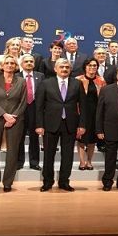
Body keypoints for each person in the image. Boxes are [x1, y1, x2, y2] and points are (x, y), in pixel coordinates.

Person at [36, 58, 86, 192]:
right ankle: (47, 182)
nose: (64, 69)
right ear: (55, 69)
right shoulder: (46, 83)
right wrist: (39, 125)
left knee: (68, 155)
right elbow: (39, 106)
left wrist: (82, 125)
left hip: (70, 124)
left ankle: (64, 181)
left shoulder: (77, 83)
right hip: (50, 124)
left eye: (67, 67)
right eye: (62, 67)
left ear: (70, 69)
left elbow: (83, 105)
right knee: (48, 155)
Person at [0, 55, 27, 192]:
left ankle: (8, 182)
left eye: (12, 63)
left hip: (15, 120)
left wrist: (13, 117)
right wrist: (4, 114)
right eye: (7, 63)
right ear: (2, 65)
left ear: (16, 66)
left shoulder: (21, 81)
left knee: (13, 152)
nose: (9, 65)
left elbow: (23, 102)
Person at [75, 58, 106, 170]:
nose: (92, 67)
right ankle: (82, 162)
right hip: (81, 112)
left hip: (96, 113)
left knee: (92, 139)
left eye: (94, 65)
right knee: (81, 139)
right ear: (85, 67)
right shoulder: (78, 79)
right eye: (89, 65)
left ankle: (89, 161)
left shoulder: (101, 80)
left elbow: (104, 98)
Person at [15, 53, 44, 171]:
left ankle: (34, 162)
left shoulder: (40, 76)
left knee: (34, 137)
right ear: (21, 64)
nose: (29, 63)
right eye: (26, 61)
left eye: (31, 61)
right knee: (19, 137)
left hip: (35, 109)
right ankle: (19, 162)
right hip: (20, 109)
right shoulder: (16, 76)